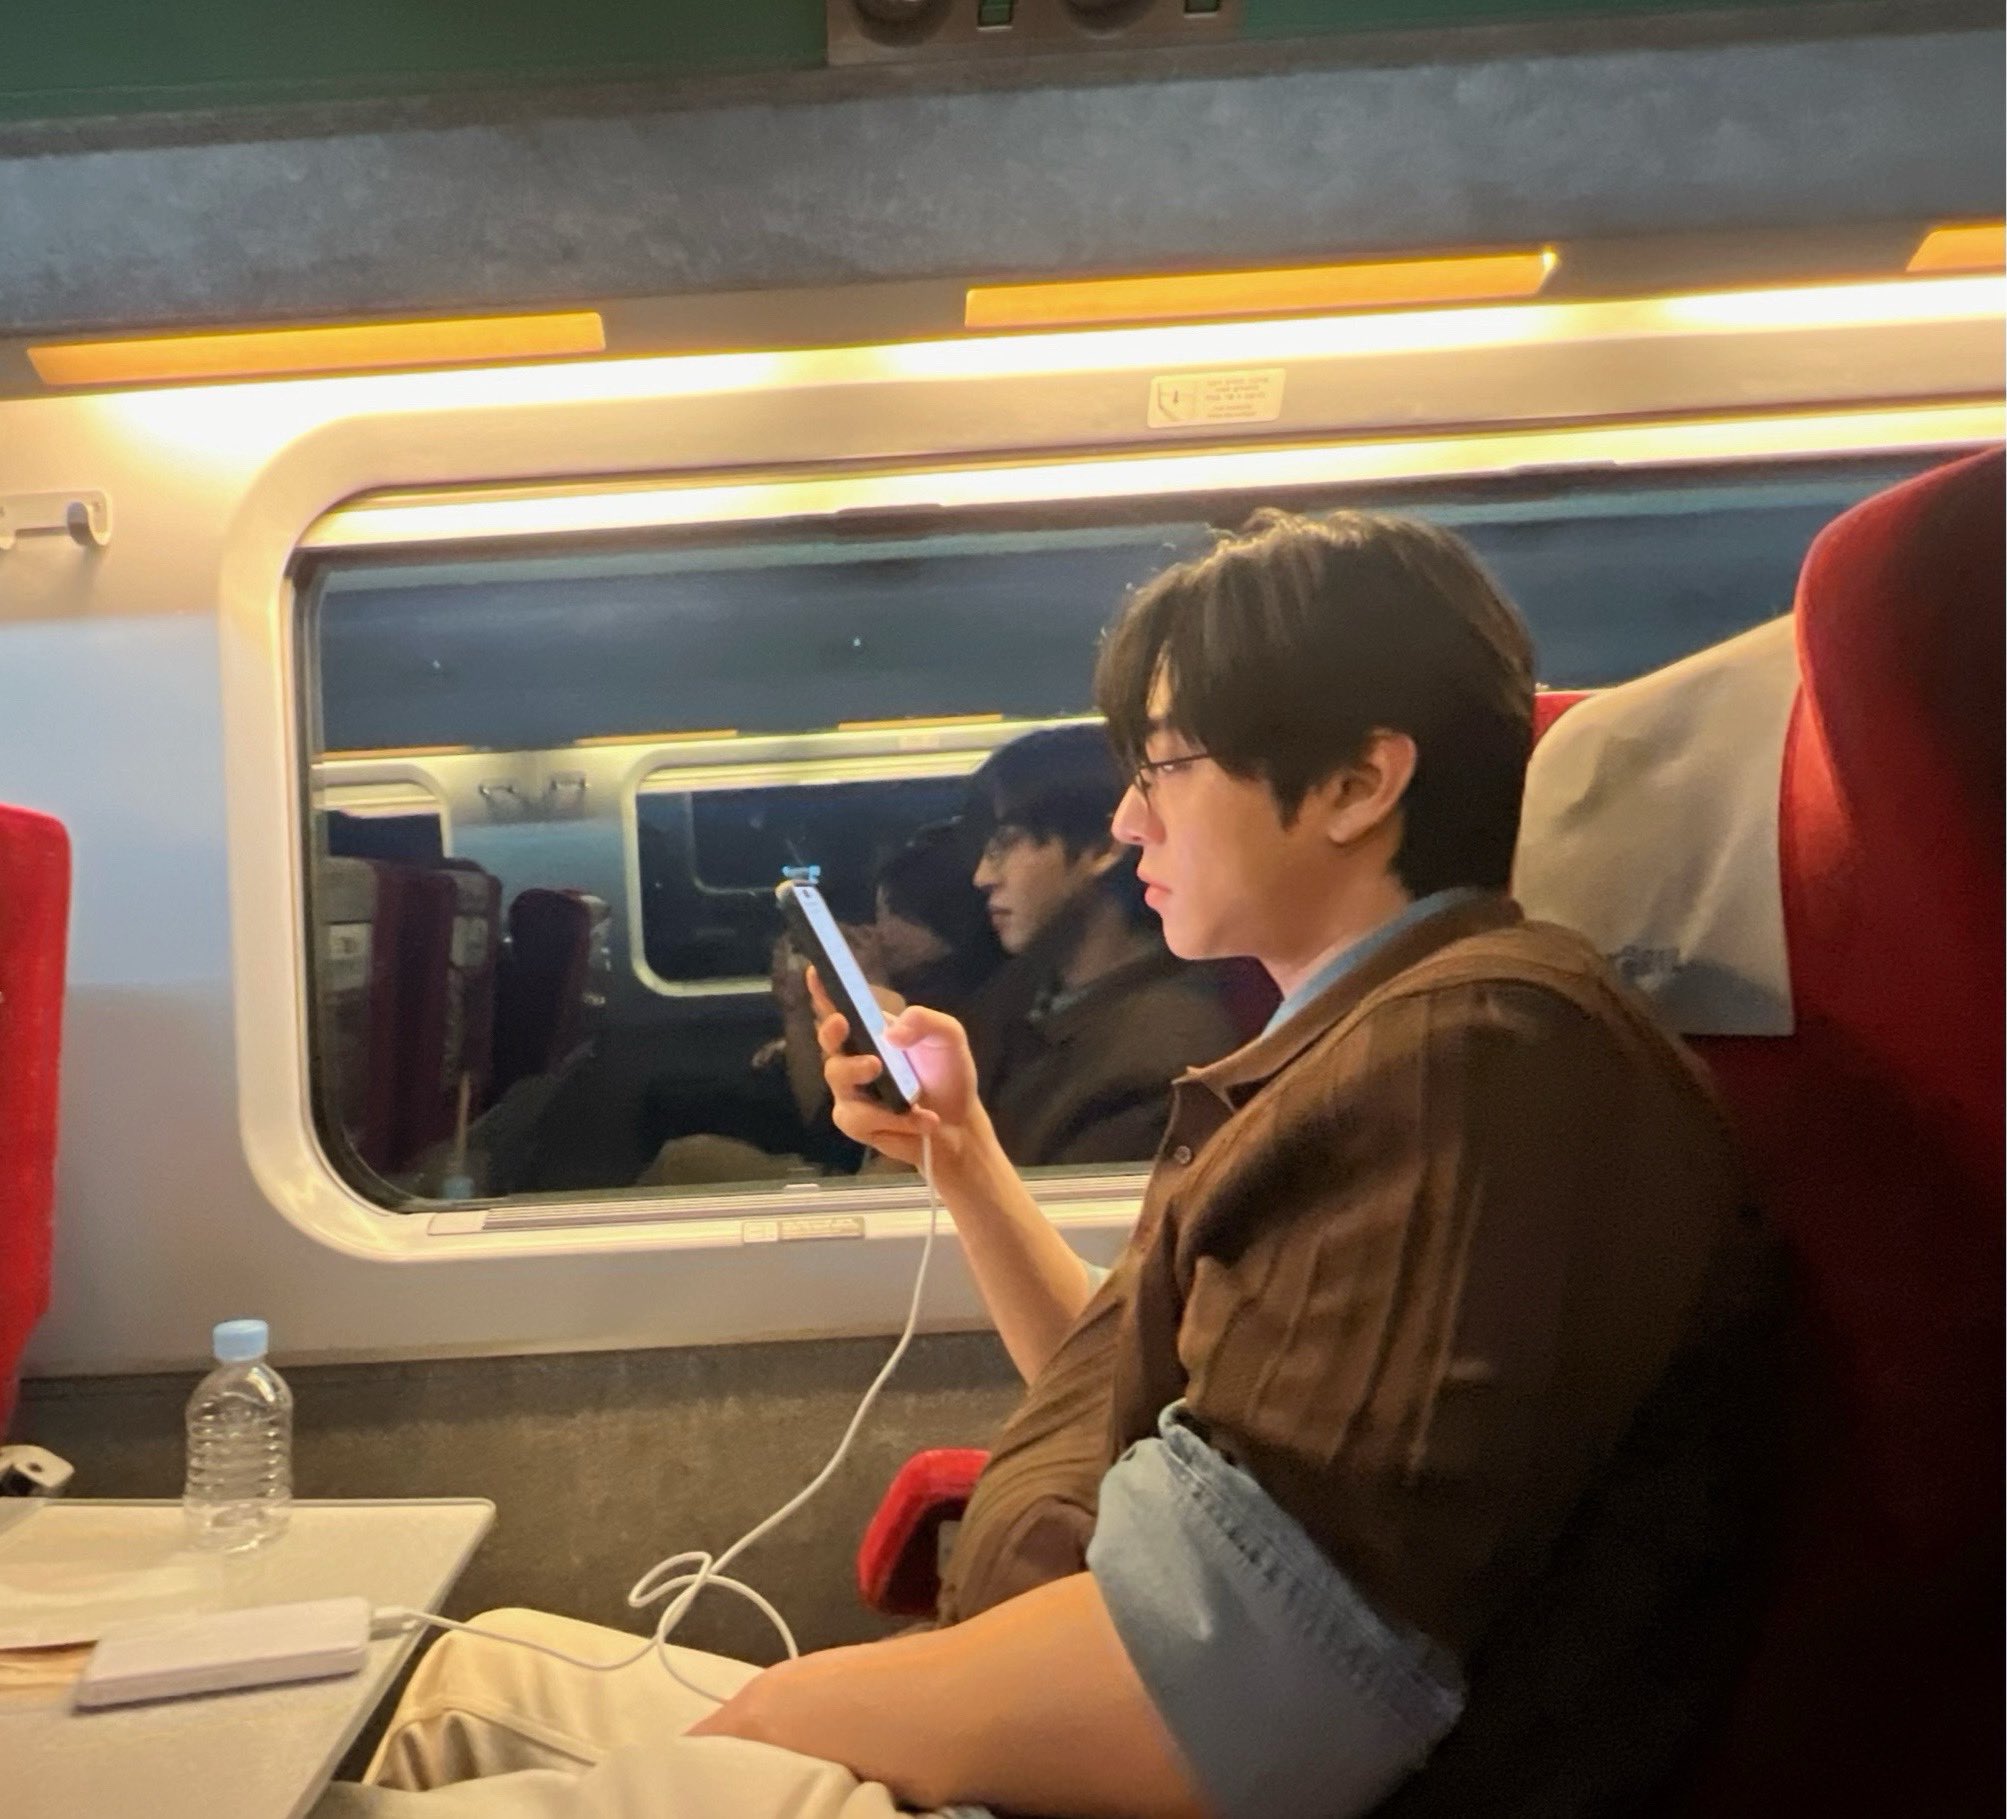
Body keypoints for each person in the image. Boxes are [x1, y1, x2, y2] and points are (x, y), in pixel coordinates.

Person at [318, 508, 1773, 1819]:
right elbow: (1140, 1387)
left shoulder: (1469, 1059)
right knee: (467, 1675)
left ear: (1355, 779)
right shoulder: (1367, 1042)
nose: (1128, 819)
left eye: (1164, 766)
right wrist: (960, 1155)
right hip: (1094, 1708)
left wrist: (787, 1711)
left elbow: (1246, 1696)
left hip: (1135, 1767)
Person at [958, 722, 1241, 1167]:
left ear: (1103, 848)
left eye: (1005, 846)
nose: (983, 877)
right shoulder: (1027, 992)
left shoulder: (1160, 1055)